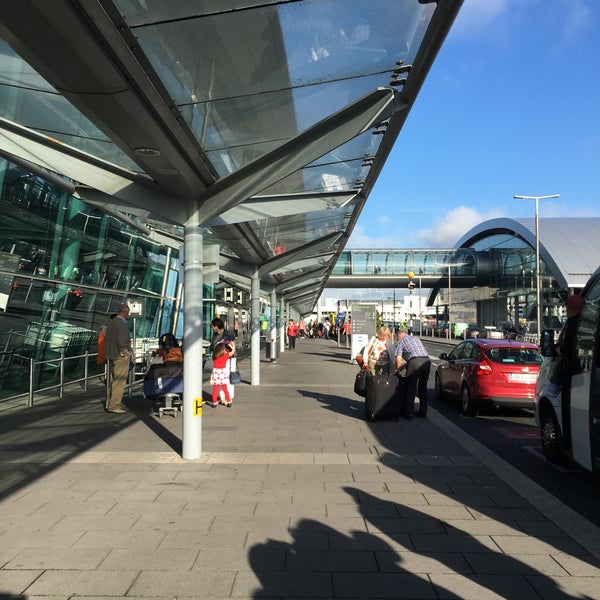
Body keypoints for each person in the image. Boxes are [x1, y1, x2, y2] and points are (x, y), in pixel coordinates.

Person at [394, 327, 431, 419]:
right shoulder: (416, 339)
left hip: (414, 362)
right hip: (426, 361)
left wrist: (397, 370)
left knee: (410, 387)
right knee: (423, 387)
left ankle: (409, 412)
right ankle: (423, 412)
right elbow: (410, 358)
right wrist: (402, 368)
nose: (397, 340)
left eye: (397, 338)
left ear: (399, 336)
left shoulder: (401, 341)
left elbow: (398, 359)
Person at [103, 304, 132, 414]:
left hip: (111, 355)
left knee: (112, 381)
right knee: (119, 382)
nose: (128, 315)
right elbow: (123, 341)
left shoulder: (112, 323)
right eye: (128, 313)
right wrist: (126, 354)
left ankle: (109, 404)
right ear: (125, 313)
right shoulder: (121, 324)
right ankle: (114, 406)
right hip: (120, 357)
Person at [209, 341, 234, 407]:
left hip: (216, 373)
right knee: (225, 389)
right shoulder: (225, 356)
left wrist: (217, 345)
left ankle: (214, 403)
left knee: (215, 389)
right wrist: (233, 346)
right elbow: (232, 352)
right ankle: (228, 401)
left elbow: (215, 350)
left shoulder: (214, 357)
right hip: (222, 373)